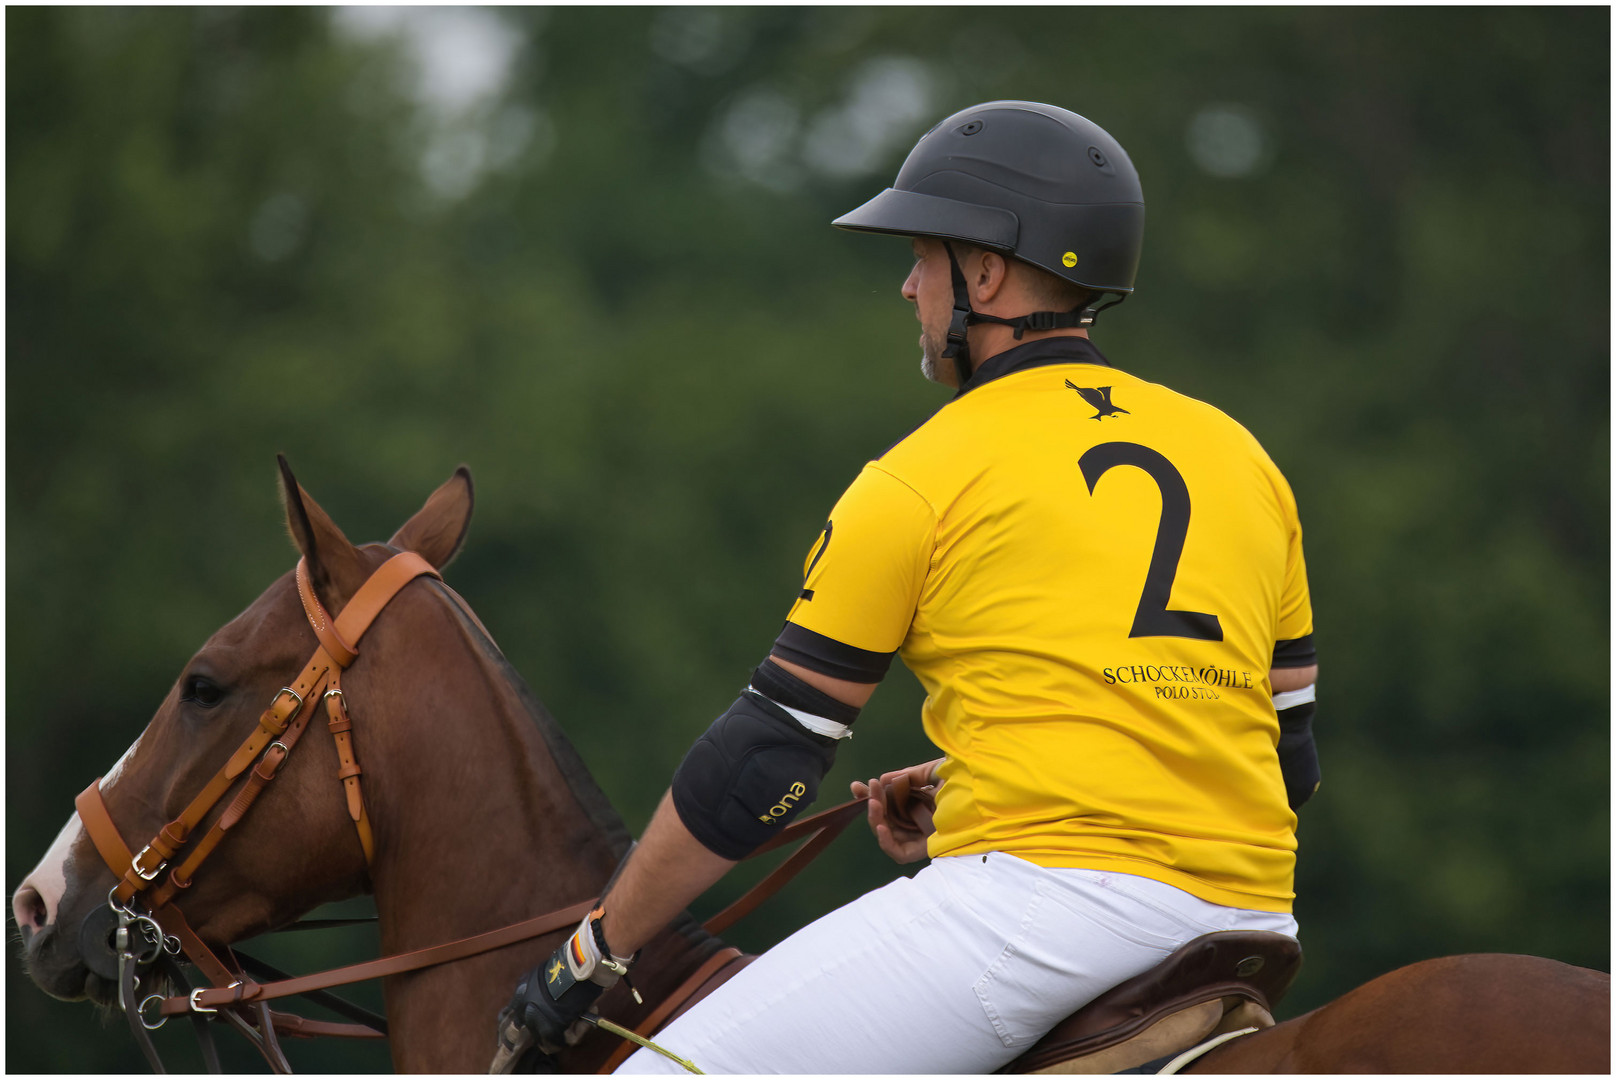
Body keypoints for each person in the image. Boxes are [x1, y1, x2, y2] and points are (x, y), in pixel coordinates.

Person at [500, 100, 1320, 1074]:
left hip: (1046, 914)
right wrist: (995, 771)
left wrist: (597, 950)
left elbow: (763, 765)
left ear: (985, 272)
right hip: (1253, 918)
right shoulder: (1239, 456)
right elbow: (1286, 759)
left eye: (923, 256)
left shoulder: (920, 477)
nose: (906, 287)